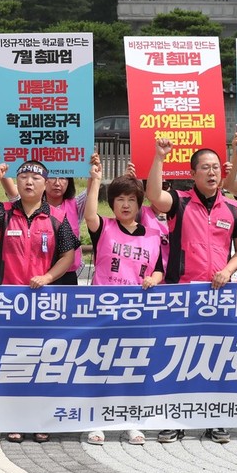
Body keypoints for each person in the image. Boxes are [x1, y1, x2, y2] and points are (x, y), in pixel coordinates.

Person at [145, 139, 237, 444]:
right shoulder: (180, 201)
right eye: (205, 167)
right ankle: (173, 421)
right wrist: (159, 158)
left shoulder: (233, 208)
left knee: (217, 358)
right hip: (183, 292)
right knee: (179, 359)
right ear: (193, 174)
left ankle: (215, 420)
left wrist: (228, 270)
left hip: (219, 293)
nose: (212, 172)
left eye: (216, 167)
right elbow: (153, 195)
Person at [0, 160, 79, 443]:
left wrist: (48, 277)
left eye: (36, 177)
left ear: (46, 184)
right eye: (23, 177)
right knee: (11, 364)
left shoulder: (58, 217)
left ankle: (40, 419)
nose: (29, 182)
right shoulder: (6, 212)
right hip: (7, 301)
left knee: (41, 362)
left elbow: (68, 255)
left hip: (42, 304)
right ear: (18, 182)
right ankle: (14, 419)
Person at [83, 156, 163, 445]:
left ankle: (131, 422)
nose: (125, 204)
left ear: (139, 204)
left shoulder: (153, 236)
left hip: (137, 313)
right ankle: (95, 422)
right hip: (103, 311)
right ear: (112, 203)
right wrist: (94, 180)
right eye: (119, 199)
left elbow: (159, 268)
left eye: (131, 199)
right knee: (101, 367)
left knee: (131, 369)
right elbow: (89, 214)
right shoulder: (103, 227)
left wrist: (154, 278)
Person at [0, 146, 88, 285]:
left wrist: (94, 173)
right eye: (52, 177)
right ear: (46, 182)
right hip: (18, 282)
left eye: (63, 177)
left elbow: (91, 193)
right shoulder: (22, 204)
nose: (57, 183)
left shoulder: (72, 207)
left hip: (61, 277)